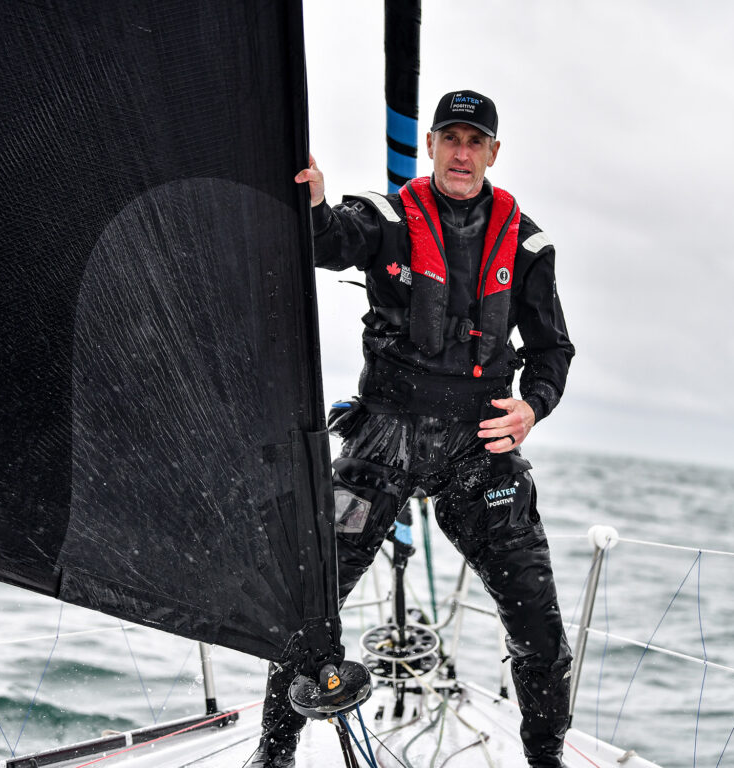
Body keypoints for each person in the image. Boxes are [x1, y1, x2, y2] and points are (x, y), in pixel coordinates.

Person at [252, 90, 575, 767]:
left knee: (540, 630)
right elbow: (328, 239)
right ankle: (274, 753)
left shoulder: (528, 242)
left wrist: (532, 407)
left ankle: (546, 760)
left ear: (493, 152)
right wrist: (313, 203)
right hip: (384, 440)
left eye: (475, 140)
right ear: (430, 146)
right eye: (450, 138)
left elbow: (552, 352)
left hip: (478, 451)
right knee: (311, 605)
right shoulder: (389, 217)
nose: (462, 152)